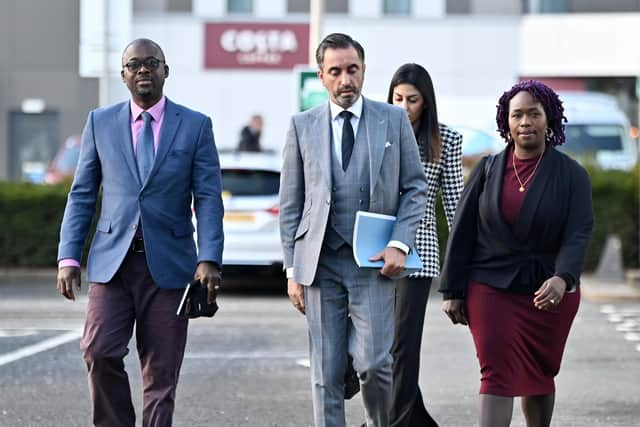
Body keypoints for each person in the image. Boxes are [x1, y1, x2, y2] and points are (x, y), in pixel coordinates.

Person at [56, 38, 224, 427]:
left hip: (170, 267)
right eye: (134, 64)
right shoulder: (100, 122)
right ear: (123, 75)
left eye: (152, 63)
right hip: (112, 264)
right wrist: (68, 257)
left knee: (160, 373)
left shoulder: (196, 126)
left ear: (166, 71)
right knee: (98, 352)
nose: (143, 70)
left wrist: (209, 258)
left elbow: (209, 198)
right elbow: (82, 194)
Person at [280, 33, 428, 427]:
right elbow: (292, 204)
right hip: (319, 264)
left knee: (375, 364)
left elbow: (414, 187)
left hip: (373, 264)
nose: (346, 79)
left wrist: (400, 243)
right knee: (325, 375)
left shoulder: (393, 120)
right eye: (336, 72)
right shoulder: (301, 126)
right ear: (322, 76)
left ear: (363, 70)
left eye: (352, 70)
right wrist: (293, 271)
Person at [439, 80, 594, 427]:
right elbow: (463, 231)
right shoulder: (488, 169)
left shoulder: (571, 175)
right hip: (490, 288)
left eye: (534, 114)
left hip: (548, 293)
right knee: (496, 374)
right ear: (505, 122)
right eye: (517, 115)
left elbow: (579, 232)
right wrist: (453, 290)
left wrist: (563, 277)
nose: (525, 122)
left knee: (540, 374)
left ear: (549, 119)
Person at [386, 63, 464, 427]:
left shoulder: (445, 139)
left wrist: (459, 272)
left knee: (402, 345)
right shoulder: (377, 131)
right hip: (374, 249)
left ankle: (390, 421)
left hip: (420, 254)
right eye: (397, 98)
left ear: (426, 102)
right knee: (377, 348)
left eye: (412, 100)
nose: (403, 106)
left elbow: (454, 205)